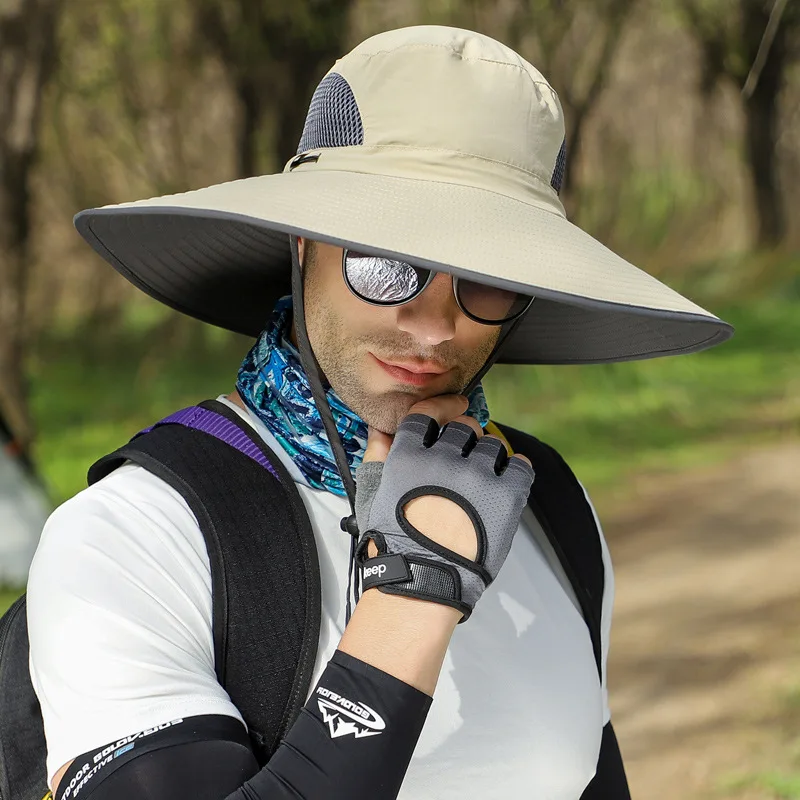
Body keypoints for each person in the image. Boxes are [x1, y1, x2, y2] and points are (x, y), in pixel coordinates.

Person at [26, 25, 732, 800]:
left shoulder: (543, 502)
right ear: (304, 243)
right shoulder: (136, 535)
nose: (433, 326)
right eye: (387, 264)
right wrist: (414, 592)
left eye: (489, 280)